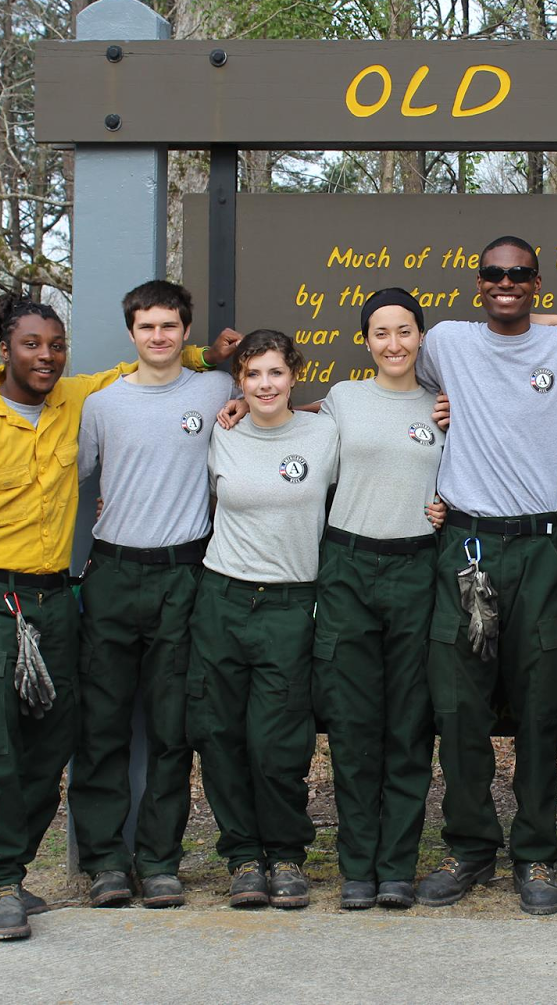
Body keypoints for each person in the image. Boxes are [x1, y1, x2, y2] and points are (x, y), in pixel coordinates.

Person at [0, 292, 230, 941]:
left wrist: (202, 355)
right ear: (4, 349)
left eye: (55, 345)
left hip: (54, 597)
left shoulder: (75, 400)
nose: (45, 356)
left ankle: (15, 869)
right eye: (31, 344)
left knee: (51, 744)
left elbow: (141, 368)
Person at [413, 235, 557, 916]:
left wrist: (543, 319)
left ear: (537, 282)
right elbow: (394, 383)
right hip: (466, 545)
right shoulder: (447, 342)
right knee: (459, 707)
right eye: (494, 274)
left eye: (519, 275)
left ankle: (535, 852)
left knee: (540, 707)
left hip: (540, 550)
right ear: (477, 282)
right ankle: (469, 847)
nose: (506, 283)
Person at [67, 280, 238, 910]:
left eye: (169, 326)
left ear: (186, 331)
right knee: (102, 725)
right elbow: (67, 480)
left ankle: (160, 860)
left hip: (184, 575)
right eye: (147, 327)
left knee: (172, 729)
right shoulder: (102, 405)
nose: (158, 336)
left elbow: (270, 414)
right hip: (112, 574)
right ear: (131, 333)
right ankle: (105, 862)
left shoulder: (216, 389)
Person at [187, 329, 340, 911]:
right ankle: (244, 857)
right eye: (253, 374)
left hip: (291, 603)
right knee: (221, 735)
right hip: (222, 596)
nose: (265, 384)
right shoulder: (221, 433)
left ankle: (286, 854)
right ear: (239, 382)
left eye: (275, 372)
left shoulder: (324, 434)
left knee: (278, 742)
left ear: (294, 375)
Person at [310, 288, 448, 911]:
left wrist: (448, 504)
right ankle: (357, 869)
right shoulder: (344, 398)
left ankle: (396, 868)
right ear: (365, 341)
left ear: (421, 336)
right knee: (353, 725)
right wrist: (238, 405)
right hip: (348, 567)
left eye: (404, 331)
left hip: (417, 568)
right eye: (381, 333)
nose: (394, 344)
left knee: (409, 725)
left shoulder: (444, 405)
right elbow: (287, 423)